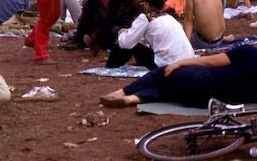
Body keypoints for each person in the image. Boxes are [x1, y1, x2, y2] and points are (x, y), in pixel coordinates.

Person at [101, 45, 257, 108]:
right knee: (169, 93)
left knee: (161, 74)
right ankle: (133, 99)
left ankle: (121, 92)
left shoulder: (248, 52)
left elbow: (210, 61)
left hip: (202, 78)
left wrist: (181, 63)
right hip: (209, 102)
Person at [108, 0, 194, 69]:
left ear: (148, 5)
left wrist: (121, 32)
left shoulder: (145, 18)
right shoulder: (170, 18)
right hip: (186, 60)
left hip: (165, 64)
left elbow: (127, 42)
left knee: (125, 39)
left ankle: (112, 66)